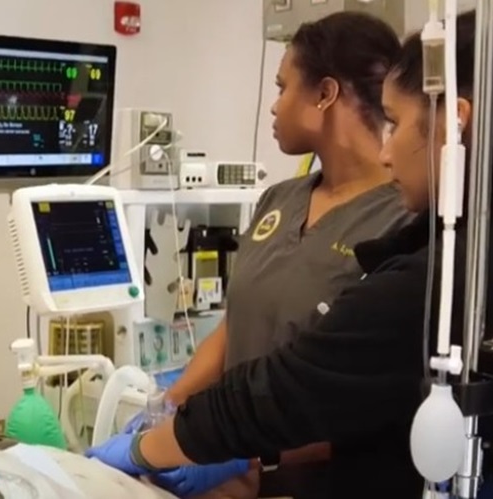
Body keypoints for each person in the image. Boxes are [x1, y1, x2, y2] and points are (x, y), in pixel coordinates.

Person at [87, 1, 493, 498]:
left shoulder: (449, 280)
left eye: (398, 124)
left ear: (454, 127)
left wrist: (143, 452)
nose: (387, 153)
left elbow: (288, 387)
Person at [135, 11, 410, 499]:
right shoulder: (277, 201)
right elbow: (233, 327)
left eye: (283, 87)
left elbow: (376, 401)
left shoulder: (402, 223)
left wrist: (247, 453)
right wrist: (169, 408)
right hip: (225, 471)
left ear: (325, 94)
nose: (274, 106)